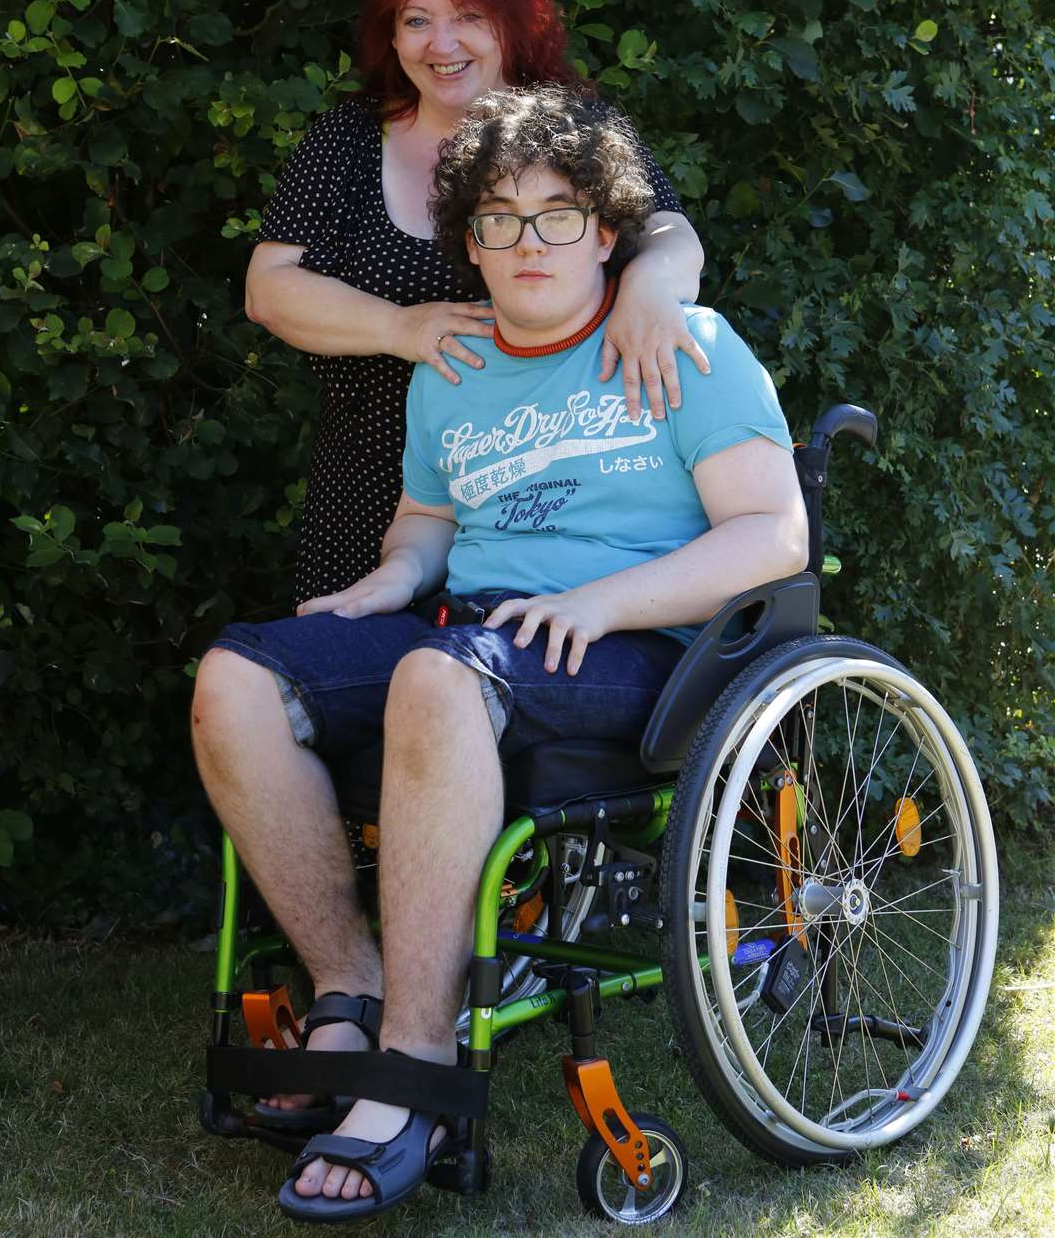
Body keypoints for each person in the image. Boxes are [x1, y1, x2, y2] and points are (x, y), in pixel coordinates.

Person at [192, 87, 808, 1222]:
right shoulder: (451, 369)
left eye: (560, 215)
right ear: (466, 238)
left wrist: (603, 600)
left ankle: (414, 1077)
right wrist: (386, 581)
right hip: (473, 633)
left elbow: (773, 535)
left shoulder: (687, 342)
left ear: (609, 229)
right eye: (501, 219)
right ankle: (351, 984)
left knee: (440, 673)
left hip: (641, 654)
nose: (530, 244)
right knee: (236, 677)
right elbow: (429, 524)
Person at [244, 0, 708, 609]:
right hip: (374, 492)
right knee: (345, 697)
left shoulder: (573, 128)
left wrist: (646, 283)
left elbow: (677, 240)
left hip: (554, 500)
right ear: (390, 33)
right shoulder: (344, 140)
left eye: (468, 15)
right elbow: (268, 287)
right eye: (416, 19)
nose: (442, 43)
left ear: (512, 21)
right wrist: (404, 328)